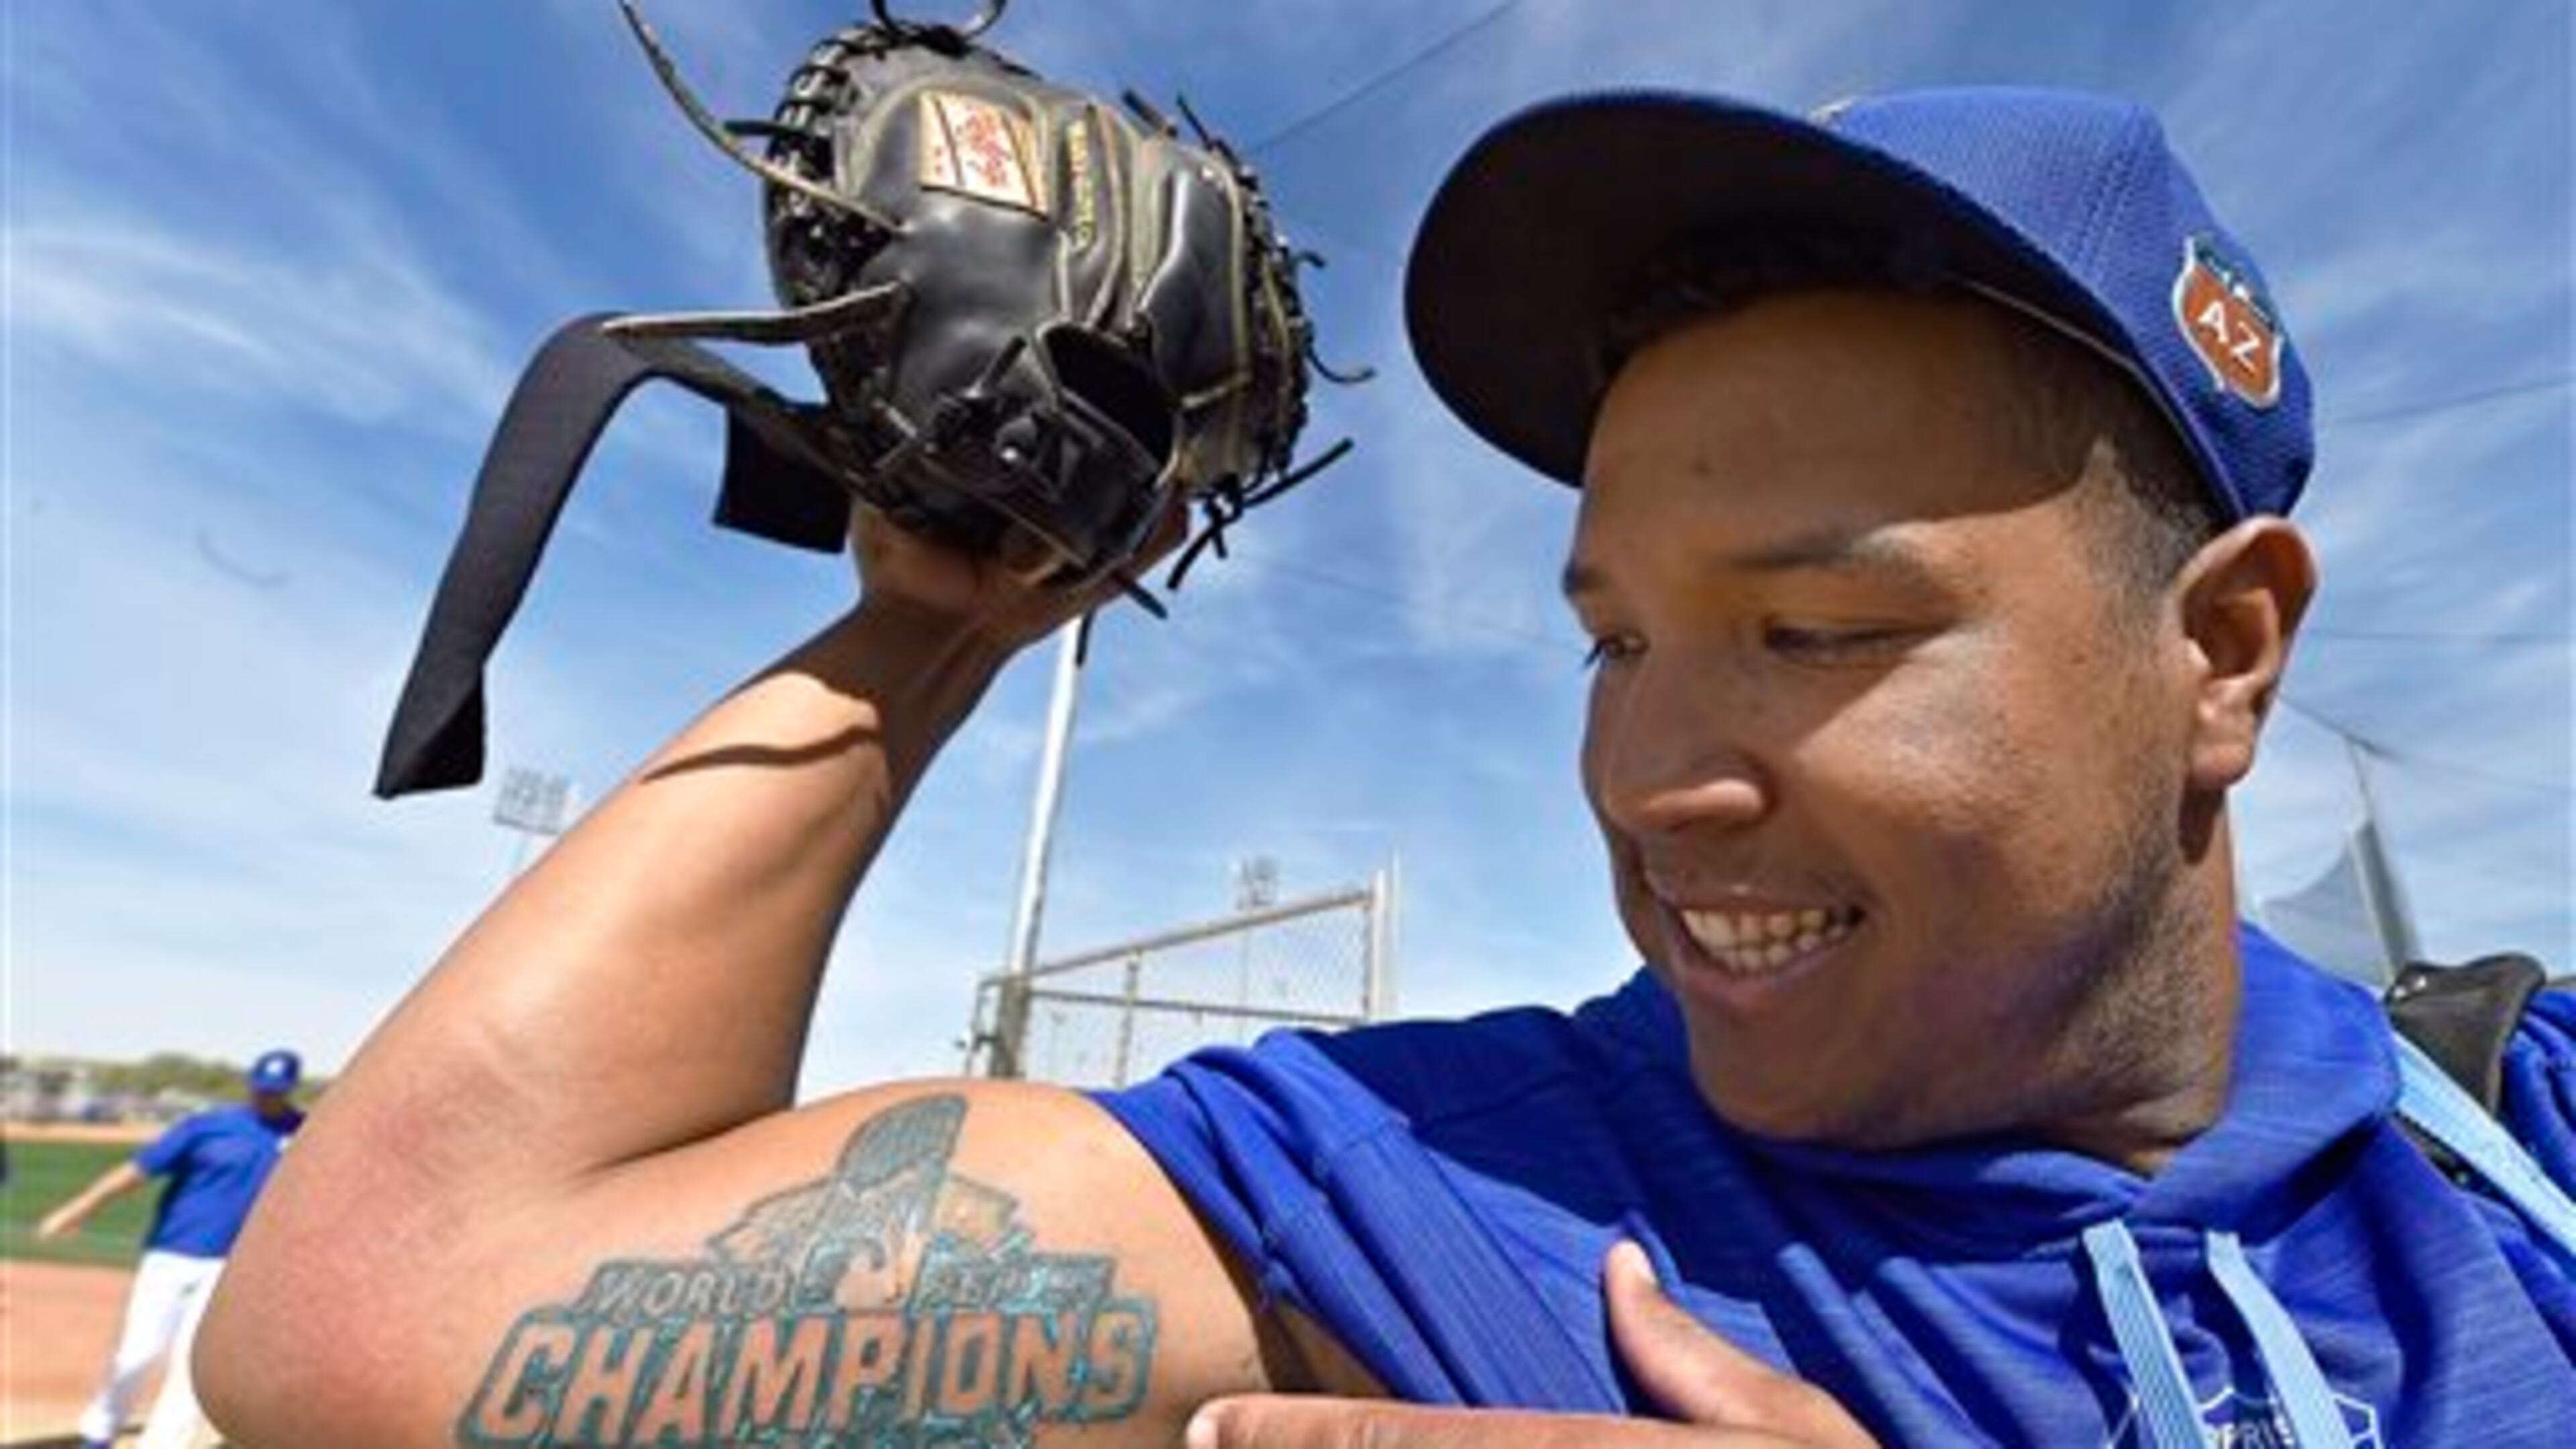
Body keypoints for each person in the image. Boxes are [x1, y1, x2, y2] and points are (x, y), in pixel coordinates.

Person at [193, 83, 2576, 1449]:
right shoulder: (1460, 1192)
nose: (1652, 768)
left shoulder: (2526, 1137)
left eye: (1816, 628)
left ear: (2227, 652)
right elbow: (387, 1328)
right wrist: (928, 628)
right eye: (1613, 638)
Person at [43, 1049, 305, 1449]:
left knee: (191, 1368)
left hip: (232, 1270)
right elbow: (139, 1169)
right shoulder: (207, 1126)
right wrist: (78, 1209)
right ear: (251, 1084)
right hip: (171, 1254)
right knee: (138, 1352)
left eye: (276, 1091)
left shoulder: (302, 1133)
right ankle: (99, 1433)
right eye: (262, 1089)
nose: (267, 1097)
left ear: (290, 1089)